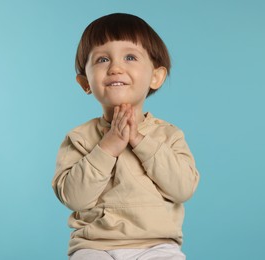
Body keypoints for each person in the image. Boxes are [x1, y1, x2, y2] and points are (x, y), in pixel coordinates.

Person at [52, 13, 200, 260]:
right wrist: (109, 145)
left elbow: (183, 189)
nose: (115, 68)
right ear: (85, 82)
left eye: (130, 57)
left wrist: (140, 142)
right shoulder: (79, 138)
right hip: (94, 246)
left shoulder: (168, 135)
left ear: (155, 76)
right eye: (102, 59)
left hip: (157, 246)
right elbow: (75, 198)